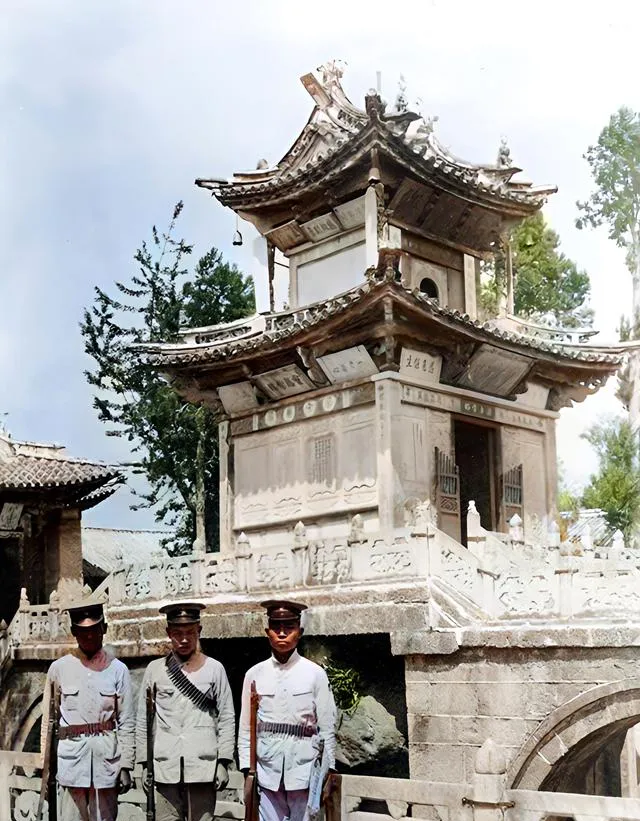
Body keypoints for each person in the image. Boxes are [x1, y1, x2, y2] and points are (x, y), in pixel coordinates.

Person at [136, 601, 235, 821]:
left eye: (190, 632)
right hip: (165, 767)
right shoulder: (155, 670)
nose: (183, 639)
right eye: (177, 633)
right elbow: (143, 720)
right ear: (168, 633)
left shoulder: (214, 669)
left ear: (199, 631)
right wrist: (144, 765)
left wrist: (223, 763)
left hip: (203, 767)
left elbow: (227, 717)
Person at [238, 600, 337, 821]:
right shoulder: (254, 674)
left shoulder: (315, 674)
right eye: (276, 627)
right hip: (267, 771)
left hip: (304, 770)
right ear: (267, 632)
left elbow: (327, 726)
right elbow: (246, 728)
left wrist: (329, 770)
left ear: (299, 632)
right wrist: (247, 769)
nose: (282, 633)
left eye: (289, 628)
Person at [41, 600, 134, 821]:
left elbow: (127, 720)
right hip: (71, 764)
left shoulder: (118, 670)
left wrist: (126, 766)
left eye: (94, 630)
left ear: (104, 628)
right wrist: (45, 767)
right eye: (83, 631)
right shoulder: (59, 669)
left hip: (106, 764)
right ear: (73, 631)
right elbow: (48, 721)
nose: (89, 636)